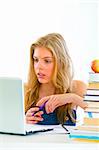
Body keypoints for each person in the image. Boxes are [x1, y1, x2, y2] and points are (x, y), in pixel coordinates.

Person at [25, 33, 87, 126]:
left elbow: (95, 111)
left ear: (61, 62)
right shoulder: (26, 89)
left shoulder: (77, 87)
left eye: (47, 61)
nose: (38, 67)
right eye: (36, 60)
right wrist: (24, 121)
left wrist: (71, 97)